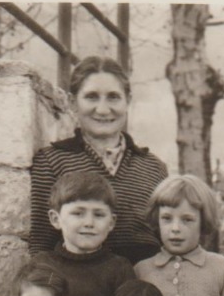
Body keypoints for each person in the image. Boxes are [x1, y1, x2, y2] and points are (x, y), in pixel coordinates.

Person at [30, 55, 169, 266]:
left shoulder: (153, 168)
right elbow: (40, 247)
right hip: (79, 289)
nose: (103, 110)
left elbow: (166, 242)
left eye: (113, 97)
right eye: (92, 97)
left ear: (128, 101)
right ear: (72, 102)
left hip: (144, 290)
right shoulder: (52, 161)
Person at [30, 169, 135, 296]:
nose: (89, 223)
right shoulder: (42, 265)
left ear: (111, 222)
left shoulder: (119, 268)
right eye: (78, 213)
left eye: (99, 215)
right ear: (56, 219)